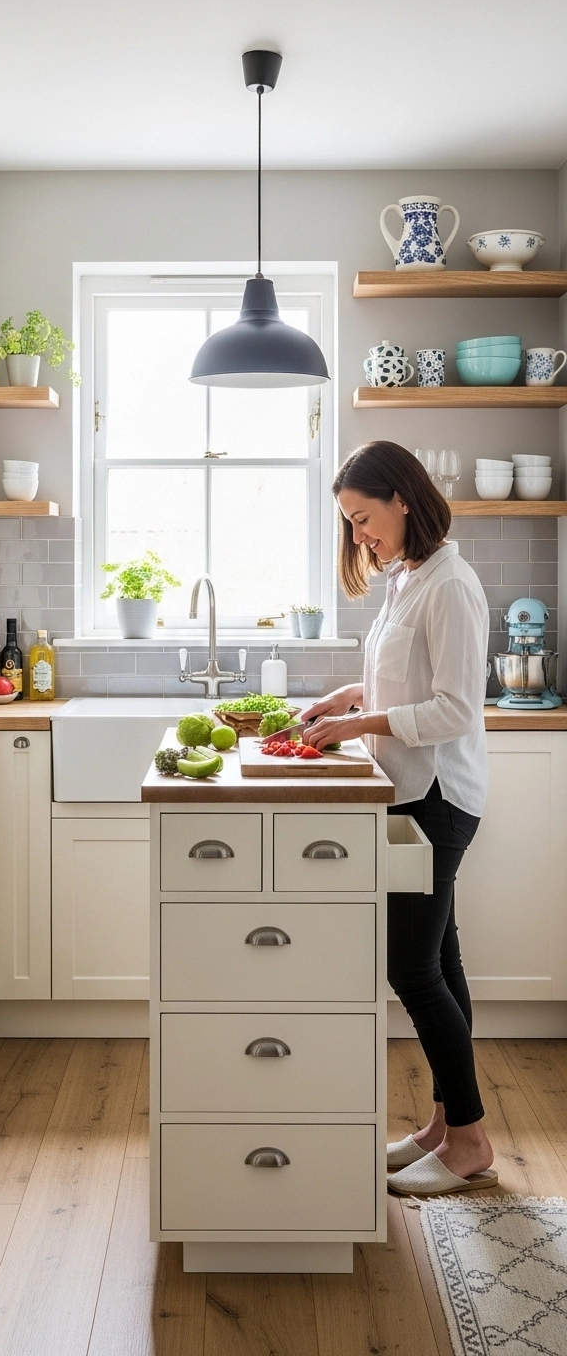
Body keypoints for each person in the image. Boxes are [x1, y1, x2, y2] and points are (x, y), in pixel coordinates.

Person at [301, 440, 496, 1197]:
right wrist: (345, 699)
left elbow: (455, 708)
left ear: (402, 498)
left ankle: (471, 1139)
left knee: (411, 966)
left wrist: (357, 730)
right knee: (440, 959)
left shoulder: (451, 583)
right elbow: (396, 674)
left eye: (363, 518)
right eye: (350, 524)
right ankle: (446, 1127)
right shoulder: (408, 576)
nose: (359, 536)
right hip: (412, 787)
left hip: (439, 796)